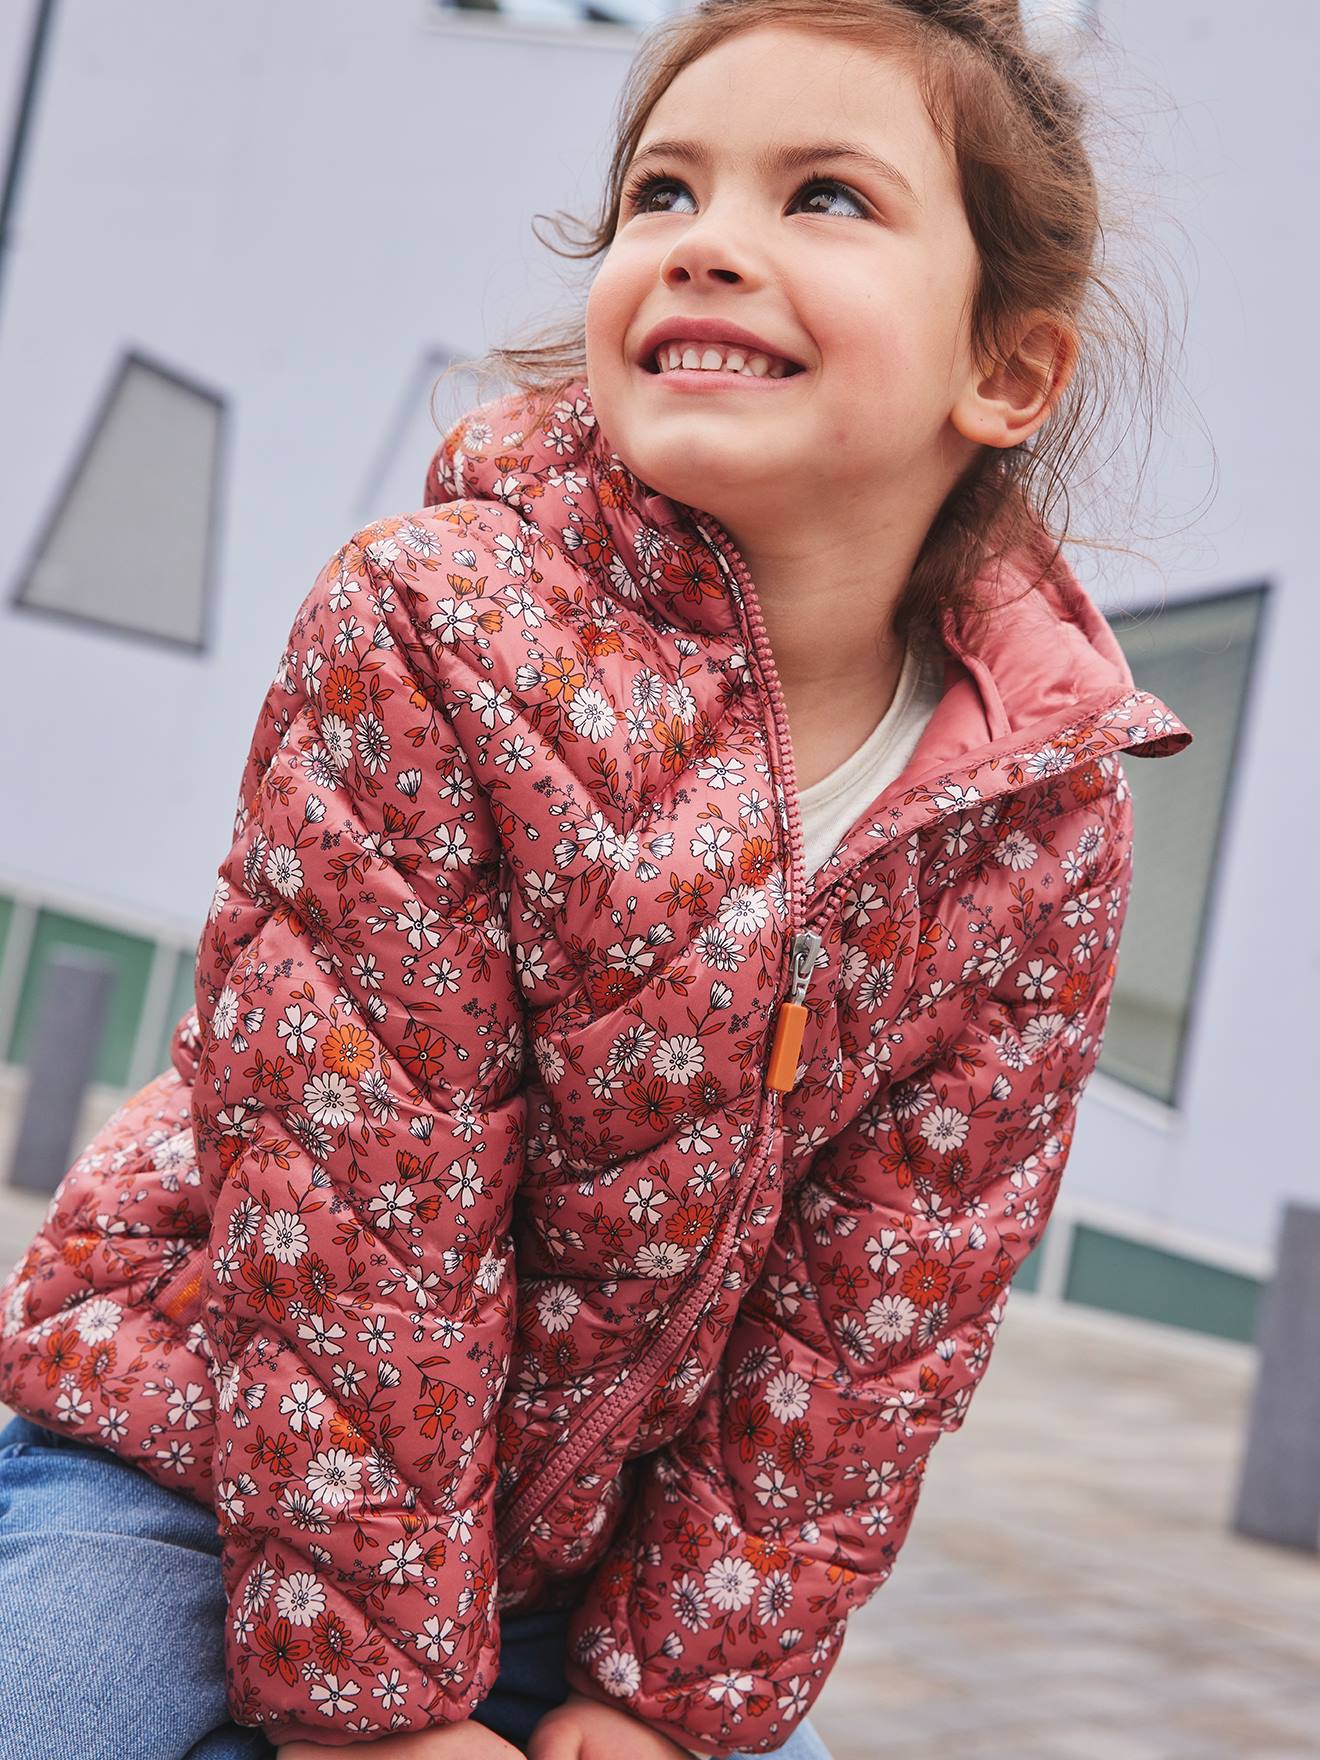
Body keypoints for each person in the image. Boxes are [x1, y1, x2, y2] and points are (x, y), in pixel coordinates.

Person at [0, 2, 1195, 1757]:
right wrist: (379, 1717)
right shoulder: (432, 625)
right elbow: (356, 1214)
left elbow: (869, 1332)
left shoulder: (1035, 822)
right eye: (664, 188)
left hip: (587, 1572)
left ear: (1004, 372)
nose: (709, 238)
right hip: (205, 1445)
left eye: (827, 199)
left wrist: (666, 1707)